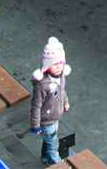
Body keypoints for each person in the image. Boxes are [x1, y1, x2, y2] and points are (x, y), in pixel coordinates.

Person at [29, 37, 73, 167]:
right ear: (47, 65)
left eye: (61, 63)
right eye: (55, 64)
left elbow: (62, 91)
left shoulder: (61, 76)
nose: (59, 67)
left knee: (49, 141)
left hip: (55, 117)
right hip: (46, 121)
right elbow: (36, 106)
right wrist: (35, 125)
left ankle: (44, 158)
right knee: (53, 146)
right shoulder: (43, 85)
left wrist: (65, 102)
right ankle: (59, 165)